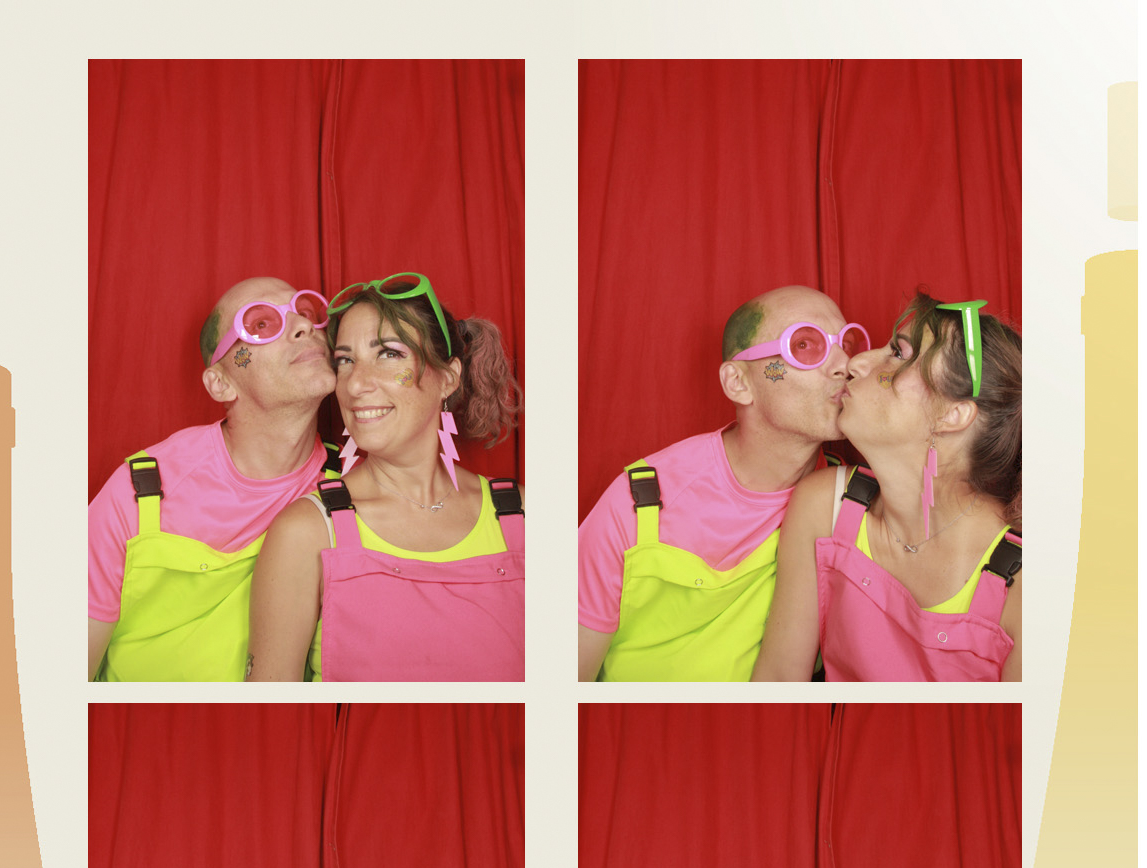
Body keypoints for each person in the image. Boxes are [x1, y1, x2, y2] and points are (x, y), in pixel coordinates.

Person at [577, 286, 868, 681]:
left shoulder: (851, 503)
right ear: (738, 382)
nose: (844, 365)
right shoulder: (641, 501)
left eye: (846, 344)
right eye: (804, 345)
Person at [246, 274, 524, 682]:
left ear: (448, 378)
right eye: (345, 360)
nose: (356, 384)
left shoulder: (521, 516)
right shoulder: (306, 532)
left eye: (389, 353)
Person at [753, 294, 1022, 682]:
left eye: (897, 353)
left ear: (952, 414)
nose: (855, 363)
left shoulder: (1025, 588)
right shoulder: (824, 506)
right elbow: (778, 683)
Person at [88, 277, 337, 682]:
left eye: (306, 312)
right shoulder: (140, 490)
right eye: (261, 324)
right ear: (221, 384)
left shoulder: (353, 488)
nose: (305, 326)